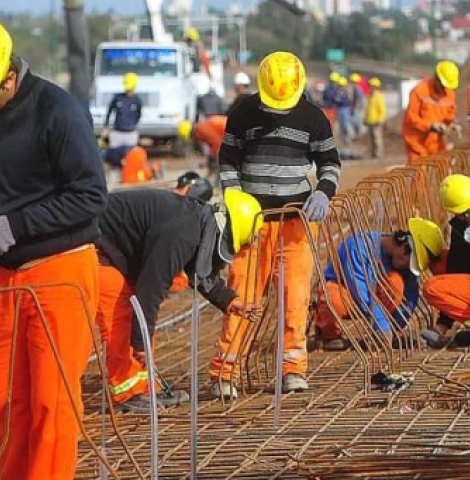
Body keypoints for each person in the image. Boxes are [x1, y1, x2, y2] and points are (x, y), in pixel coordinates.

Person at [0, 16, 107, 480]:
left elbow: (90, 195)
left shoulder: (58, 111)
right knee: (6, 402)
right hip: (2, 277)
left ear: (9, 78)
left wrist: (18, 224)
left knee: (52, 404)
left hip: (60, 269)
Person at [209, 51, 342, 398]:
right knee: (242, 297)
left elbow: (329, 162)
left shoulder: (312, 117)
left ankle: (293, 370)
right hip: (252, 224)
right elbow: (228, 160)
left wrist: (324, 192)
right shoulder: (243, 112)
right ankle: (226, 373)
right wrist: (235, 199)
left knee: (294, 299)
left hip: (296, 224)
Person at [95, 189, 263, 412]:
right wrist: (139, 342)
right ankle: (126, 394)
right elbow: (151, 289)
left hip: (120, 252)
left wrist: (229, 301)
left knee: (143, 328)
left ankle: (144, 388)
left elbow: (200, 270)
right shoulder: (181, 232)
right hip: (97, 246)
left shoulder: (198, 222)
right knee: (122, 319)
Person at [314, 219, 443, 350]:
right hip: (348, 294)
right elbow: (361, 293)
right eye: (408, 262)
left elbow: (410, 297)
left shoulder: (403, 262)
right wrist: (382, 326)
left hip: (375, 305)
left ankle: (381, 334)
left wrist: (395, 329)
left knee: (396, 282)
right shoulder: (359, 246)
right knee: (333, 297)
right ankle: (329, 336)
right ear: (404, 244)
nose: (406, 267)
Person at [421, 174, 470, 347]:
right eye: (462, 214)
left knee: (433, 287)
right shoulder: (461, 227)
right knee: (440, 260)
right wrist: (443, 324)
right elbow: (456, 267)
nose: (465, 218)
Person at [402, 60, 460, 163]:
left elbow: (449, 113)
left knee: (442, 169)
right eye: (442, 86)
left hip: (435, 142)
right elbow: (411, 118)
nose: (443, 90)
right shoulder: (419, 91)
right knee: (420, 174)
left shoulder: (449, 93)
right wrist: (431, 126)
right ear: (436, 78)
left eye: (446, 87)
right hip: (417, 142)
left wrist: (452, 122)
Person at [103, 72, 142, 149]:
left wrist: (133, 125)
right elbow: (109, 111)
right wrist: (106, 126)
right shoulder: (117, 98)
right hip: (117, 132)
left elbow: (139, 115)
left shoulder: (137, 101)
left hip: (131, 133)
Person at [364, 77, 386, 159]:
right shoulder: (370, 96)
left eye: (373, 86)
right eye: (370, 86)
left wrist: (380, 120)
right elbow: (367, 109)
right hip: (370, 121)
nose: (371, 87)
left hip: (376, 121)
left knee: (377, 139)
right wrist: (365, 119)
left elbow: (382, 109)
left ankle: (379, 154)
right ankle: (373, 154)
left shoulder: (379, 96)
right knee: (372, 139)